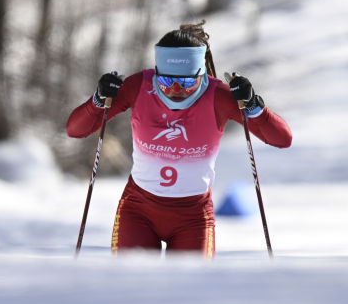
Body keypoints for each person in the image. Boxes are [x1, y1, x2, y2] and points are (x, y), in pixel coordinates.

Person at [66, 21, 292, 257]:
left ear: (201, 74)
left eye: (186, 83)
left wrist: (253, 105)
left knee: (189, 281)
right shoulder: (139, 86)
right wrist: (98, 100)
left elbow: (282, 138)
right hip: (138, 211)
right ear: (156, 72)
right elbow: (76, 130)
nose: (176, 90)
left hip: (193, 217)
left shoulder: (218, 96)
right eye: (166, 81)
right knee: (133, 278)